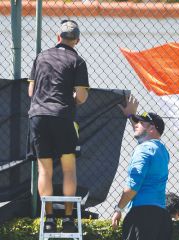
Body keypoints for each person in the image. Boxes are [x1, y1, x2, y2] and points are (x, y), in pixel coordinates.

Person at [28, 19, 89, 232]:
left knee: (44, 170)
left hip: (38, 116)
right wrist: (72, 98)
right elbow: (81, 96)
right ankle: (69, 219)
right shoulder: (77, 61)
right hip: (63, 117)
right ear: (77, 40)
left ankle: (49, 219)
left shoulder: (41, 56)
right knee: (68, 169)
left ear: (58, 37)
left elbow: (30, 92)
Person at [111, 95, 172, 240]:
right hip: (161, 217)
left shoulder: (143, 149)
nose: (136, 124)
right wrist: (131, 116)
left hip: (142, 217)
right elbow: (143, 132)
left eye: (141, 122)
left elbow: (133, 186)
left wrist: (118, 208)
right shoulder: (161, 150)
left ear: (152, 128)